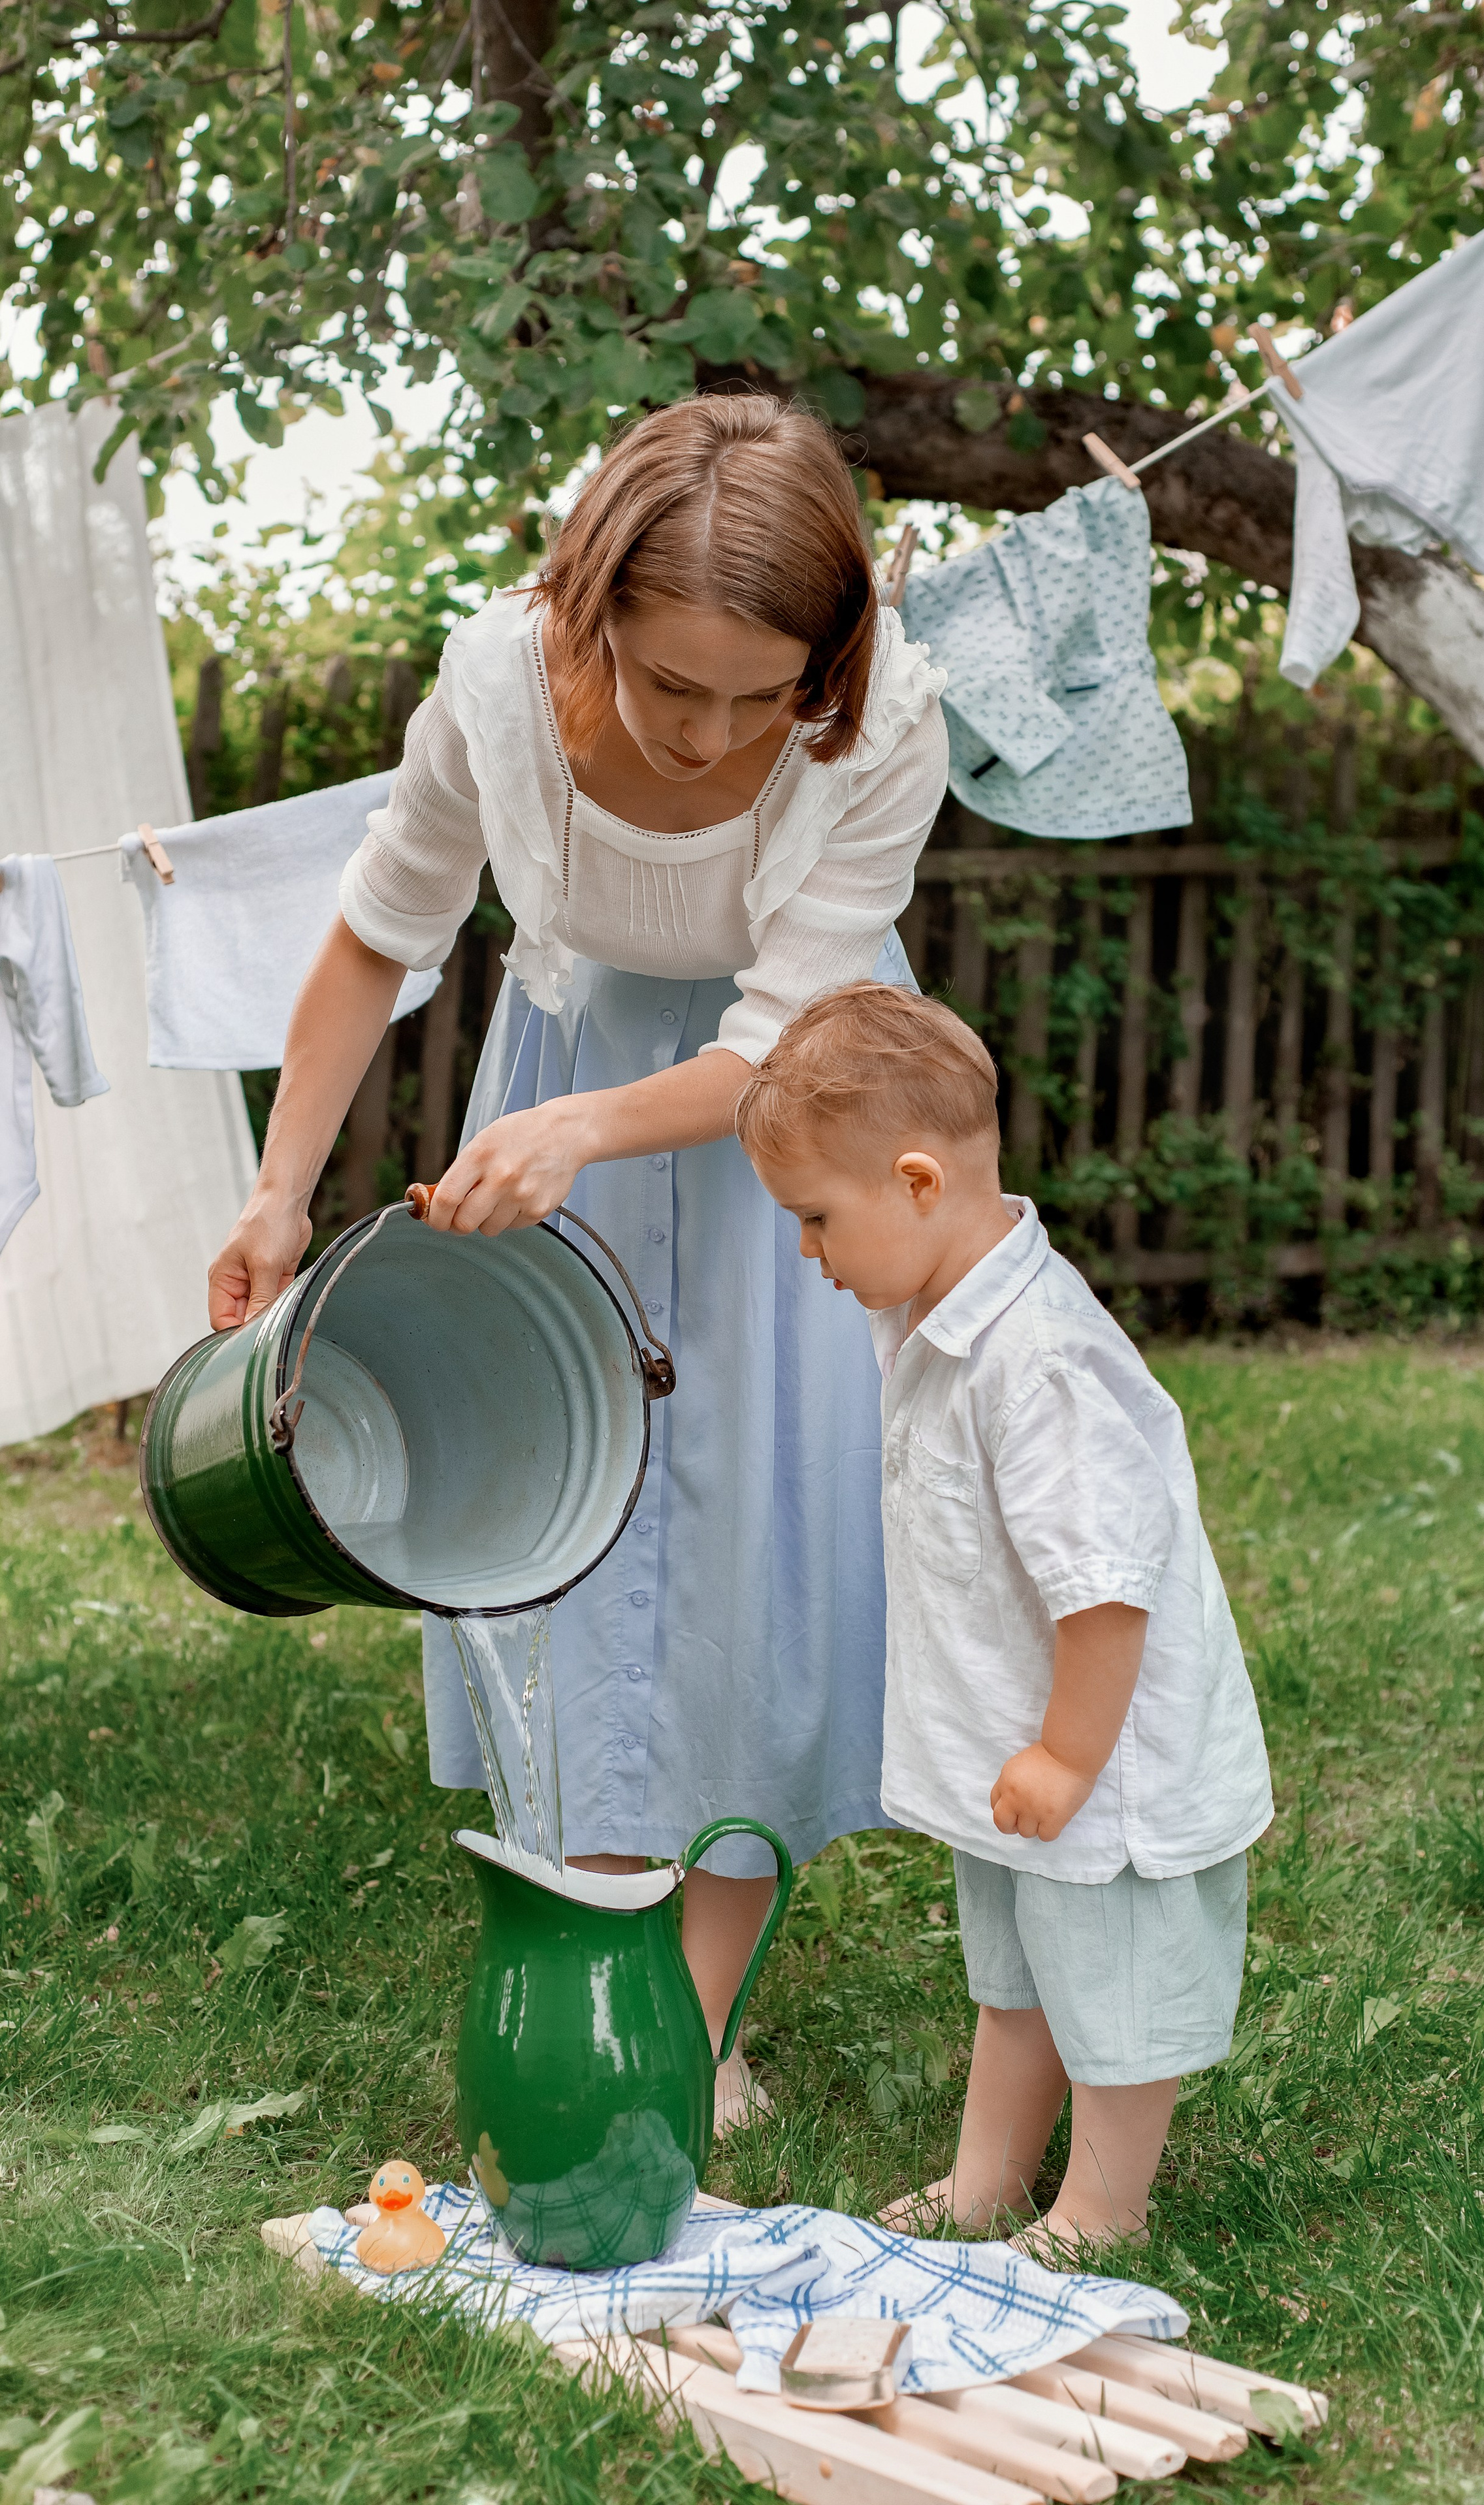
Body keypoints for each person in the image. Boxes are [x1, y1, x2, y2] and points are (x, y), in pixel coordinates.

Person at [206, 395, 948, 2128]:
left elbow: (780, 1039)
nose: (711, 732)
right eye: (670, 681)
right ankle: (600, 1958)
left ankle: (699, 2018)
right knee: (569, 1525)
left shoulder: (887, 716)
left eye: (761, 694)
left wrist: (594, 1133)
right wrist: (276, 1190)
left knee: (762, 1534)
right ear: (587, 608)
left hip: (798, 1110)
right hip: (571, 1085)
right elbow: (380, 928)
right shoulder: (491, 687)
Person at [735, 983, 1274, 2250]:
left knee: (1111, 1985)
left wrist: (1067, 1754)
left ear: (918, 1183)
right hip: (1013, 1747)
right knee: (1018, 1974)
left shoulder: (1037, 1361)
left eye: (815, 1219)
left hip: (1105, 1774)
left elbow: (1101, 1588)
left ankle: (1102, 2205)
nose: (806, 1251)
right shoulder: (930, 1315)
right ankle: (987, 2178)